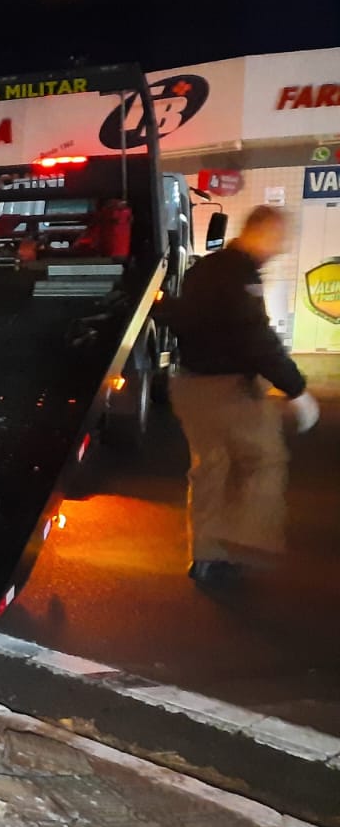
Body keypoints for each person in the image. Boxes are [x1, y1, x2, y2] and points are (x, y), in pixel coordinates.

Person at [165, 205, 319, 587]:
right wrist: (296, 389)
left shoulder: (205, 268)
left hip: (190, 385)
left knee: (211, 469)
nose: (281, 248)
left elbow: (181, 318)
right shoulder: (239, 274)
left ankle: (206, 555)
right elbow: (256, 337)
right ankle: (240, 542)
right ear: (262, 232)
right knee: (262, 460)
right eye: (279, 239)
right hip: (227, 389)